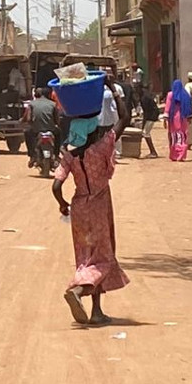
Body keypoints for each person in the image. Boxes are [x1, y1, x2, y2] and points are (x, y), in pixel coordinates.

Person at [52, 90, 130, 327]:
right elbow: (124, 118)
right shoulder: (102, 147)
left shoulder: (69, 156)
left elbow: (56, 186)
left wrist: (63, 204)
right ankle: (78, 290)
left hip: (79, 206)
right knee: (103, 256)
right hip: (99, 204)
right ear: (91, 130)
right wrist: (114, 90)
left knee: (86, 256)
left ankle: (97, 311)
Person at [23, 87, 59, 166]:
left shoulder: (32, 104)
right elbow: (57, 119)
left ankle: (32, 155)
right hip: (51, 129)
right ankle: (56, 155)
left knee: (27, 133)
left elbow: (28, 118)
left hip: (36, 130)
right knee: (59, 134)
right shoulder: (53, 104)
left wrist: (29, 123)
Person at [164, 79, 192, 162]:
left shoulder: (170, 95)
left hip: (173, 119)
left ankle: (175, 155)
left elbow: (167, 107)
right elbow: (189, 108)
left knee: (174, 137)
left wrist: (165, 119)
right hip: (183, 119)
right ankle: (182, 155)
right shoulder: (186, 95)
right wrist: (189, 119)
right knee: (183, 136)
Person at [140, 91, 162, 159]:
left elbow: (146, 112)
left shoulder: (144, 98)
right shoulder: (146, 96)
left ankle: (153, 152)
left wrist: (143, 124)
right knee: (146, 133)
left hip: (151, 116)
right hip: (153, 115)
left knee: (145, 133)